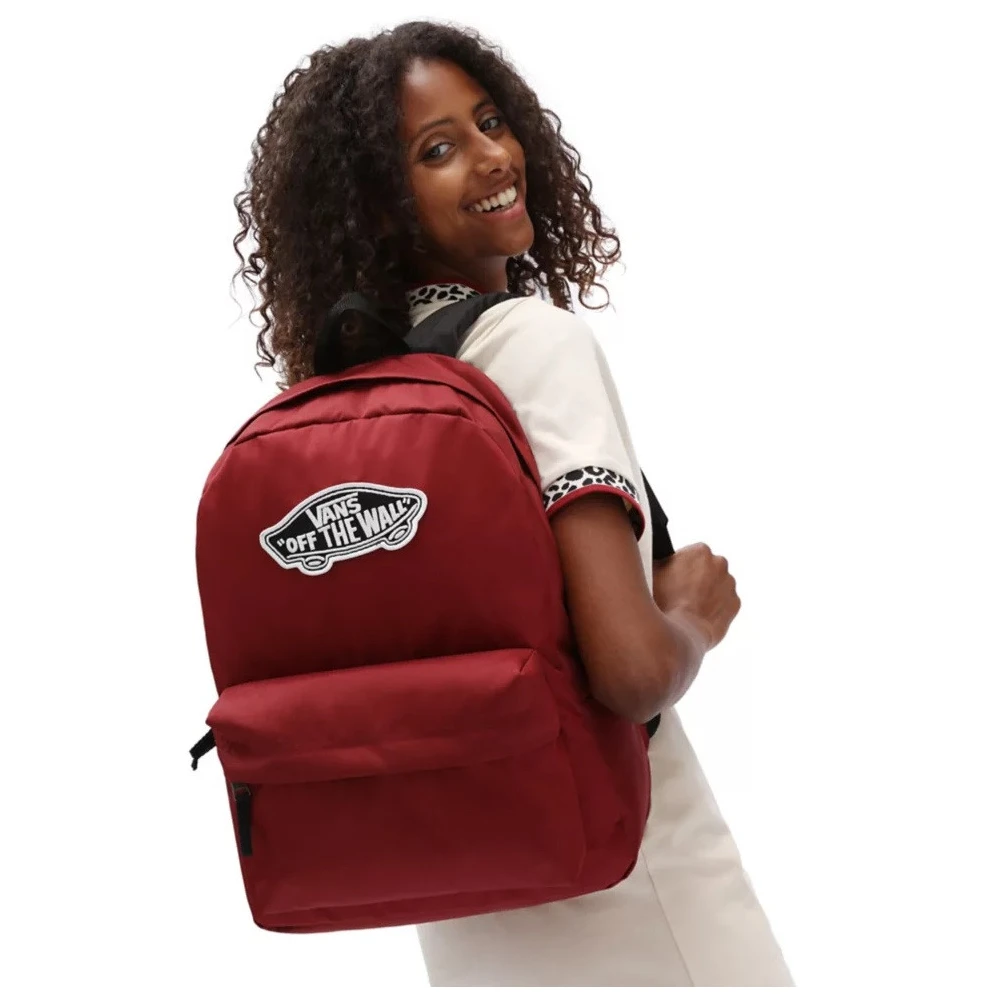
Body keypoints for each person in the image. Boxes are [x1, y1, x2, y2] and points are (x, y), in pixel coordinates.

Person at [232, 19, 794, 987]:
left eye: (490, 122)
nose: (493, 156)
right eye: (436, 149)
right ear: (377, 208)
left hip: (466, 907)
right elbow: (629, 671)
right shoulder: (530, 345)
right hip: (640, 887)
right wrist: (690, 618)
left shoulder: (359, 393)